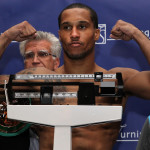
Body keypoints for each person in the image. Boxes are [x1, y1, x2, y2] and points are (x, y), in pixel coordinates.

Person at [34, 3, 150, 150]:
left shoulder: (116, 80)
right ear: (59, 34)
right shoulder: (40, 80)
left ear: (96, 34)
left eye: (82, 26)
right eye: (67, 27)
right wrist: (6, 37)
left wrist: (137, 34)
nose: (74, 34)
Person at [0, 21, 61, 150]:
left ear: (56, 63)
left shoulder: (72, 91)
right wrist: (6, 36)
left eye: (43, 54)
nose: (35, 61)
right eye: (29, 56)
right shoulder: (7, 91)